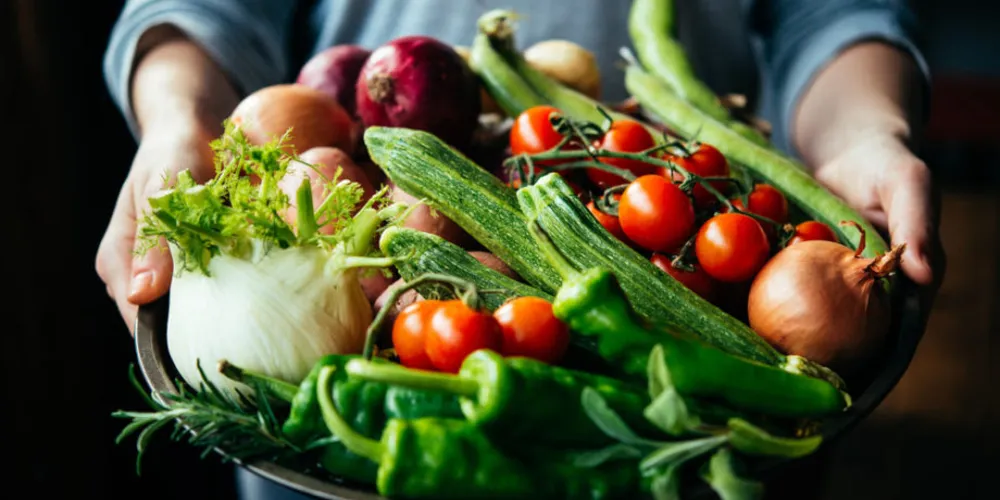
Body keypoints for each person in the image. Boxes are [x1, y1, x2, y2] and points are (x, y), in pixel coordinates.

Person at [97, 1, 944, 498]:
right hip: (336, 430)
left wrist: (867, 131)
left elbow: (833, 11)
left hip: (680, 232)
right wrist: (179, 122)